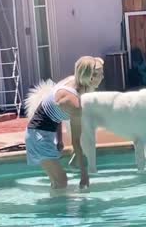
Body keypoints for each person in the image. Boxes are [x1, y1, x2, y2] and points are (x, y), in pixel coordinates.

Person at [25, 56, 104, 189]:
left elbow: (54, 110)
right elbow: (76, 143)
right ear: (90, 78)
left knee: (57, 182)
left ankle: (54, 208)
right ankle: (55, 209)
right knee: (61, 181)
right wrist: (84, 175)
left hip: (40, 134)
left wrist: (59, 139)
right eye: (100, 75)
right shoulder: (74, 103)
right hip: (39, 136)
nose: (102, 77)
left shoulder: (70, 81)